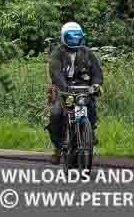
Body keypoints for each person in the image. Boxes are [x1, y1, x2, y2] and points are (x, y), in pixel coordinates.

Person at [46, 21, 103, 165]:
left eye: (77, 37)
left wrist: (96, 85)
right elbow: (56, 74)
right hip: (64, 90)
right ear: (64, 37)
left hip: (83, 89)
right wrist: (65, 88)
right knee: (56, 114)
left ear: (81, 37)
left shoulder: (87, 53)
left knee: (90, 108)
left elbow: (97, 73)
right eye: (70, 37)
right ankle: (58, 147)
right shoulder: (57, 53)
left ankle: (89, 133)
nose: (74, 40)